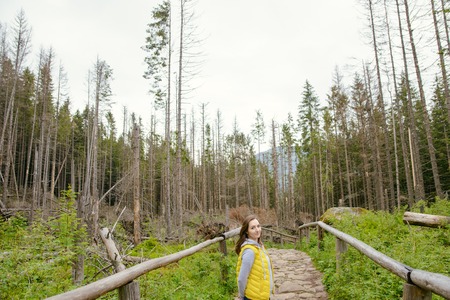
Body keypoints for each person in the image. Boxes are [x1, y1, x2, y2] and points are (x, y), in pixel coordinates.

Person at [235, 215, 273, 300]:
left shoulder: (259, 246)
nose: (257, 230)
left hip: (262, 295)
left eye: (258, 226)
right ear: (247, 231)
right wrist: (242, 296)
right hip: (253, 297)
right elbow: (242, 278)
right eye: (252, 228)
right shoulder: (250, 251)